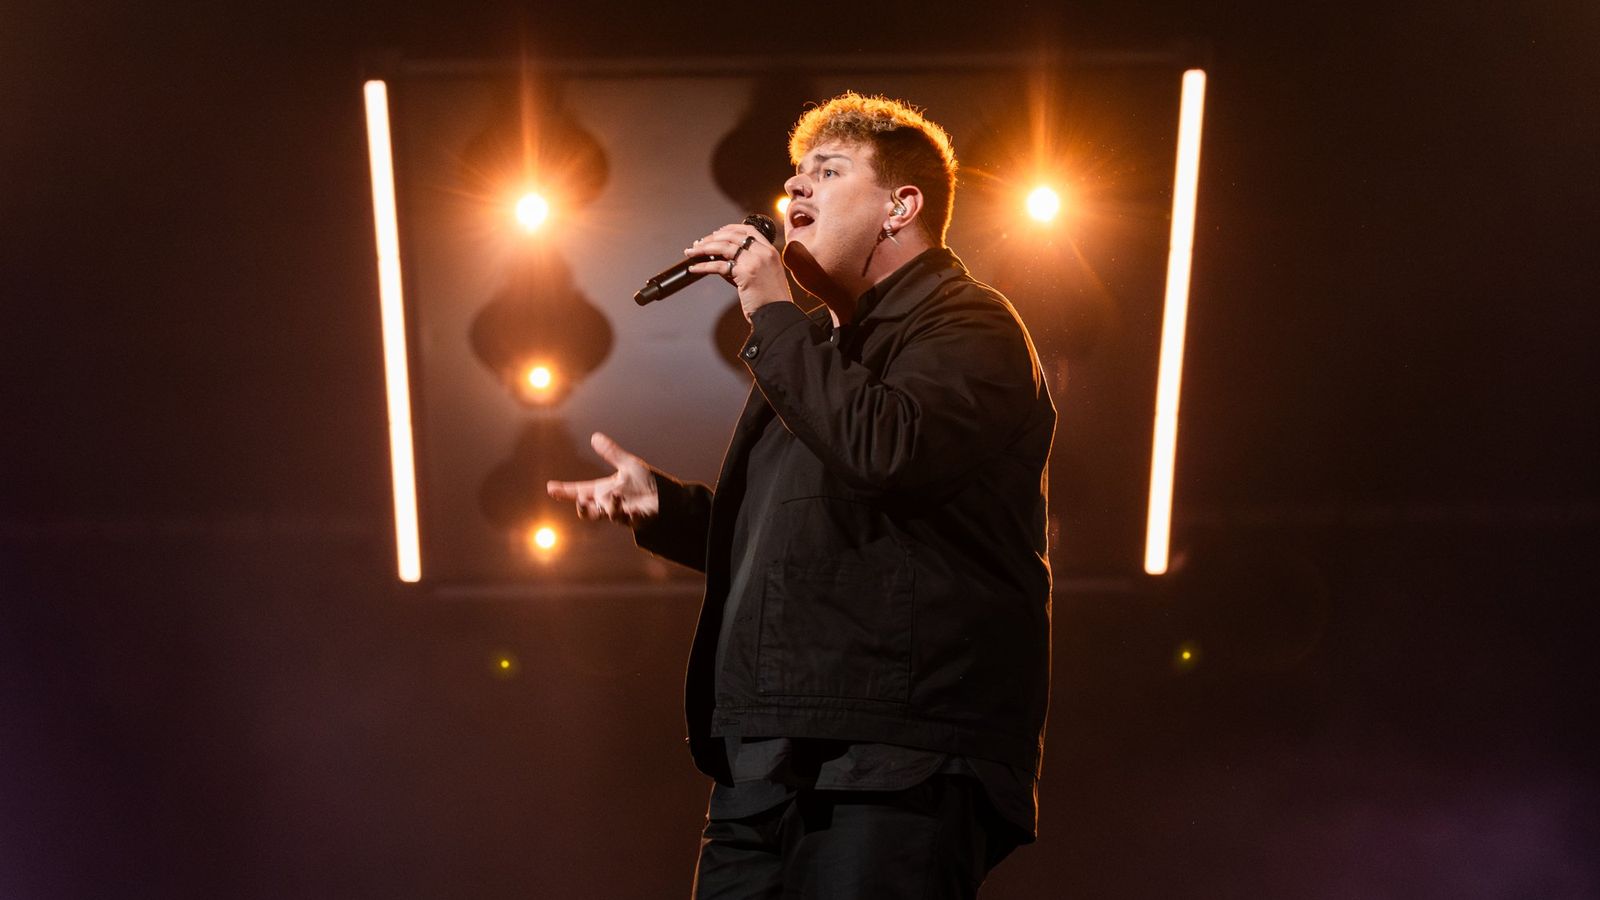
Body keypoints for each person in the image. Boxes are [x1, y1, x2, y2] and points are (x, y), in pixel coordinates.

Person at [548, 92, 1055, 899]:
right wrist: (668, 509)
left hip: (898, 753)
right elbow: (800, 538)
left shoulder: (970, 327)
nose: (797, 193)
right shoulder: (814, 351)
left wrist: (769, 309)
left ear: (902, 205)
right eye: (795, 177)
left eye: (829, 170)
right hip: (771, 755)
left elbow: (886, 450)